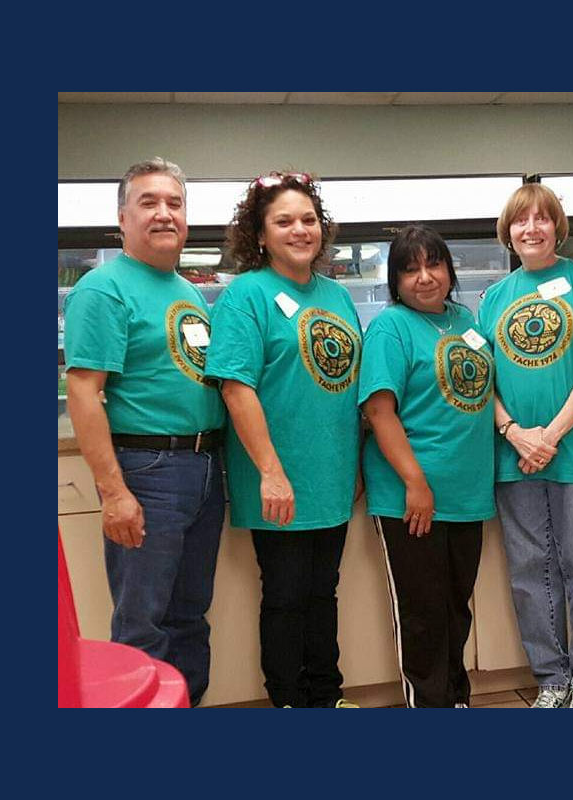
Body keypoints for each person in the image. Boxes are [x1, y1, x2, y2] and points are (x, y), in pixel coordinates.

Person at [63, 157, 226, 707]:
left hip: (205, 466)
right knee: (142, 623)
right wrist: (113, 492)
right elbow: (84, 391)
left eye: (174, 204)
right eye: (148, 203)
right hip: (149, 471)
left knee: (189, 617)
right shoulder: (104, 288)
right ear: (122, 218)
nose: (164, 214)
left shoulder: (184, 289)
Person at [204, 171, 362, 709]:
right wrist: (272, 472)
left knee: (324, 594)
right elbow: (236, 388)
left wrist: (356, 465)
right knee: (287, 599)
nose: (300, 230)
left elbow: (345, 388)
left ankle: (327, 696)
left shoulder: (338, 295)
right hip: (278, 480)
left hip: (332, 476)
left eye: (308, 219)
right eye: (284, 221)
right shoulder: (246, 296)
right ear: (261, 234)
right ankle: (289, 702)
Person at [479, 184, 573, 709]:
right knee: (528, 568)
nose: (532, 228)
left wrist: (550, 436)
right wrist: (513, 431)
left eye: (543, 219)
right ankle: (551, 678)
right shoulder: (494, 299)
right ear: (509, 231)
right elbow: (483, 381)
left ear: (558, 227)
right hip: (513, 455)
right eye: (522, 221)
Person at [360, 225, 495, 708]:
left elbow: (485, 393)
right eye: (410, 268)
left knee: (456, 609)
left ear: (449, 269)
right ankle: (430, 705)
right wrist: (415, 483)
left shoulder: (467, 320)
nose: (424, 277)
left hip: (467, 492)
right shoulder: (389, 328)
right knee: (422, 614)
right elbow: (379, 412)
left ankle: (456, 699)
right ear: (395, 279)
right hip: (412, 497)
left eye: (433, 264)